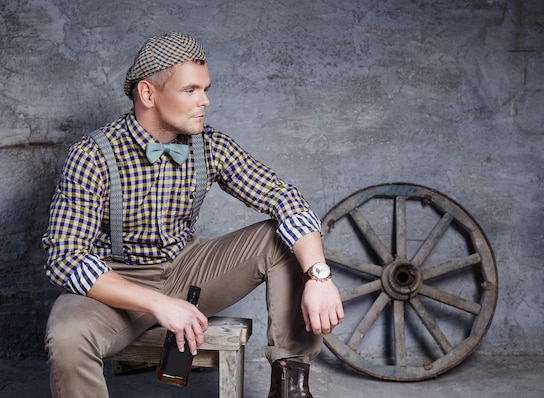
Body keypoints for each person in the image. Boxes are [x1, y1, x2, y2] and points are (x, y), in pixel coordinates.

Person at [42, 31, 344, 398]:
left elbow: (285, 198)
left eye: (206, 89)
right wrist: (158, 302)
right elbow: (64, 258)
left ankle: (291, 388)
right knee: (67, 339)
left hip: (187, 270)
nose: (205, 101)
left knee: (282, 237)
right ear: (148, 94)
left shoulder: (209, 144)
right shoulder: (92, 156)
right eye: (191, 91)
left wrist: (318, 276)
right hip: (113, 284)